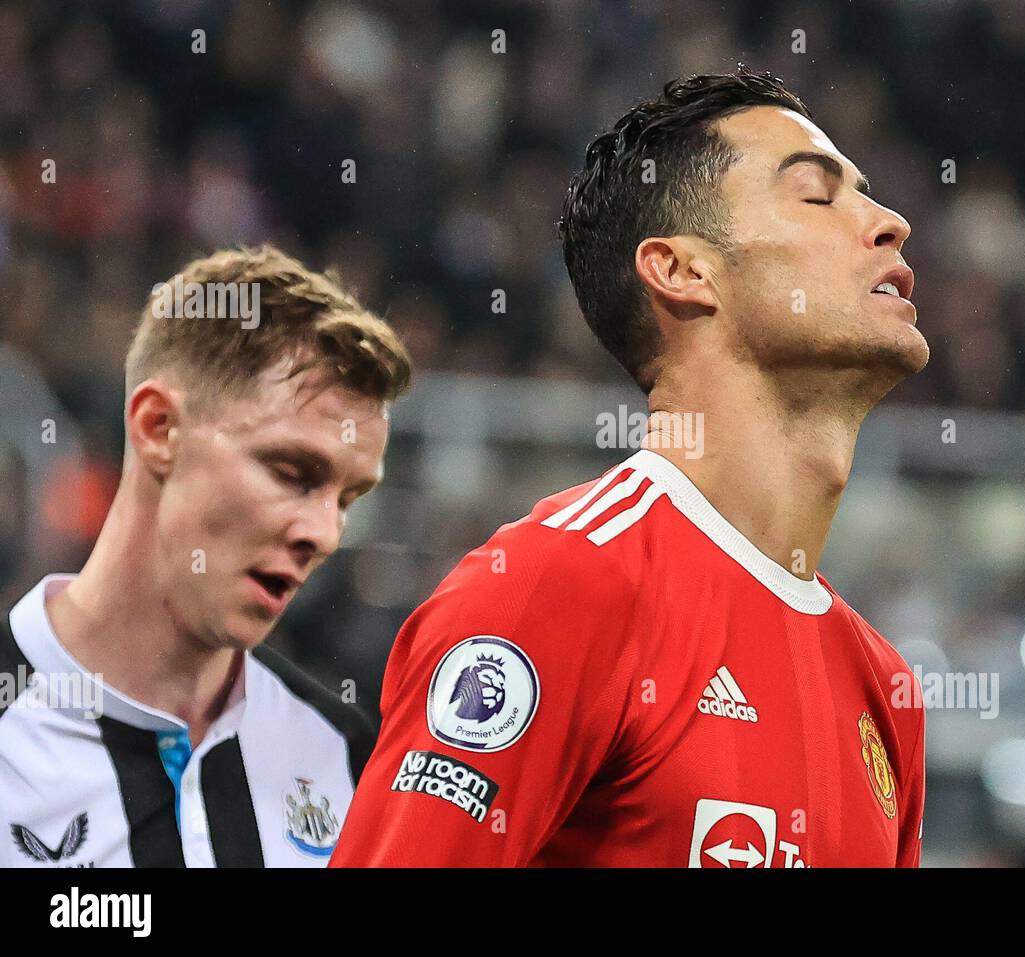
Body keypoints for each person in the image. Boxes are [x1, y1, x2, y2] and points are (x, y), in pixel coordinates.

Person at [333, 67, 927, 867]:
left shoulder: (886, 691)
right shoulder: (554, 588)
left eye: (870, 194)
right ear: (681, 271)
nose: (891, 222)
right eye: (818, 195)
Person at [0, 245, 411, 867]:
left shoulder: (345, 754)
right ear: (159, 428)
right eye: (294, 473)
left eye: (348, 498)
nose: (325, 534)